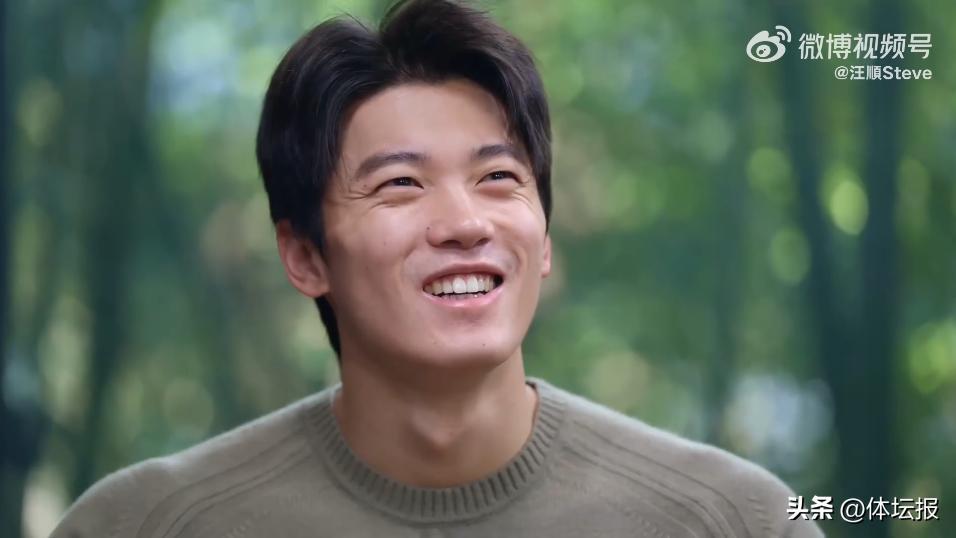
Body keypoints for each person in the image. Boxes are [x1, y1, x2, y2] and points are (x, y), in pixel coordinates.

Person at [53, 0, 824, 536]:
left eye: (499, 178)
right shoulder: (141, 525)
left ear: (543, 240)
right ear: (305, 256)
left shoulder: (737, 521)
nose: (464, 223)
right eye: (400, 184)